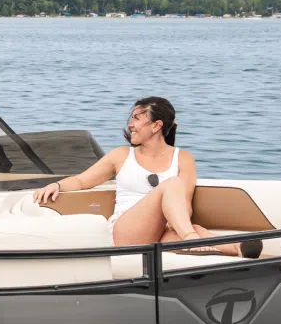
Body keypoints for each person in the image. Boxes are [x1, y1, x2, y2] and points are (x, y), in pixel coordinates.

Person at [32, 97, 257, 258]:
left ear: (157, 125)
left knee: (206, 237)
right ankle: (190, 236)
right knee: (176, 195)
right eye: (131, 118)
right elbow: (83, 180)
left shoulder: (183, 158)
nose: (130, 124)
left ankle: (244, 250)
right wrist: (57, 184)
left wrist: (175, 224)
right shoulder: (121, 156)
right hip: (126, 233)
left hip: (161, 230)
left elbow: (184, 202)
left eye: (138, 118)